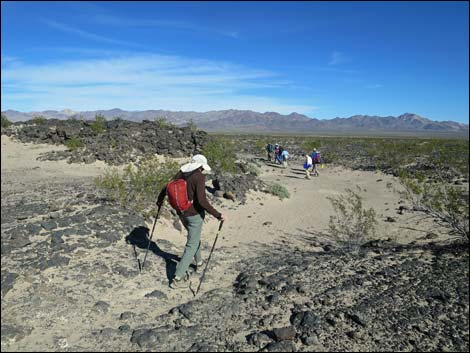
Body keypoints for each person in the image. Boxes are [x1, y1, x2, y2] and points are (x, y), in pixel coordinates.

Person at [156, 154, 225, 289]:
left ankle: (199, 263)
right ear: (200, 166)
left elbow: (166, 187)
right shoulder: (199, 176)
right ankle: (178, 278)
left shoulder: (181, 173)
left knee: (194, 238)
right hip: (194, 215)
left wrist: (159, 201)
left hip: (181, 213)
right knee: (191, 245)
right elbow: (202, 201)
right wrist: (218, 215)